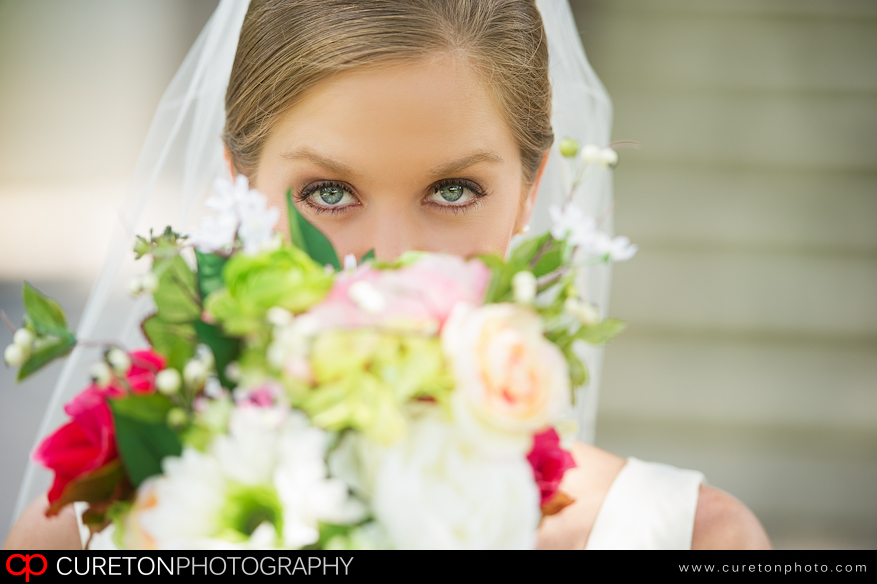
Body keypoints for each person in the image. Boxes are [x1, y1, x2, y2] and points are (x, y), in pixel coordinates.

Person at [5, 0, 770, 550]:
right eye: (328, 195)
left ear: (529, 191)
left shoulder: (691, 536)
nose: (387, 262)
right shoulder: (96, 521)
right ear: (239, 183)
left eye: (453, 191)